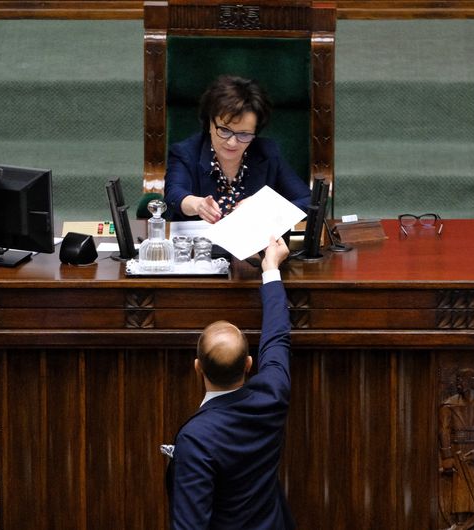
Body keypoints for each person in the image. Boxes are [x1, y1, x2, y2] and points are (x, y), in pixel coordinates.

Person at [166, 236, 294, 529]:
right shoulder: (272, 395)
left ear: (198, 368)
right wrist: (270, 268)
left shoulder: (196, 439)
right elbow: (276, 338)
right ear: (249, 365)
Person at [163, 75, 311, 223]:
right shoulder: (186, 152)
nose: (232, 142)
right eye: (224, 130)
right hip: (199, 243)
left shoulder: (267, 153)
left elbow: (309, 201)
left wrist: (266, 208)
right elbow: (173, 194)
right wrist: (197, 204)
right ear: (210, 124)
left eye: (244, 134)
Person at [439, 368, 474, 530]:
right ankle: (461, 523)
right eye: (457, 380)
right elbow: (444, 430)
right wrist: (447, 456)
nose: (458, 383)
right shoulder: (450, 404)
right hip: (458, 449)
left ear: (472, 382)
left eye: (461, 380)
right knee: (460, 488)